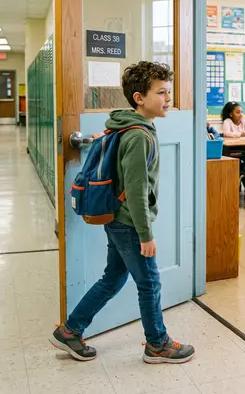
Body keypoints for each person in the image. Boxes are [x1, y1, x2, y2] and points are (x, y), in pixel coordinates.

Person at [50, 61, 195, 364]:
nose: (167, 98)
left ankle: (70, 330)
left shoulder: (128, 125)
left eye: (168, 92)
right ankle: (157, 344)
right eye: (161, 92)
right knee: (150, 283)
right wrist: (146, 235)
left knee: (113, 279)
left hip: (118, 220)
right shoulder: (139, 135)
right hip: (129, 224)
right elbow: (137, 189)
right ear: (139, 97)